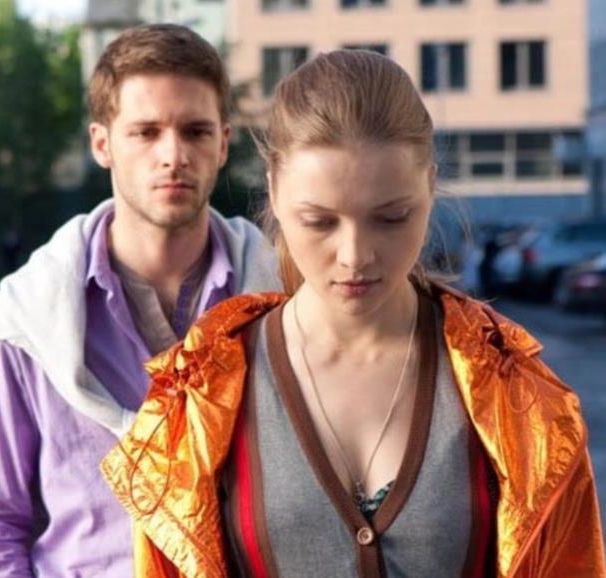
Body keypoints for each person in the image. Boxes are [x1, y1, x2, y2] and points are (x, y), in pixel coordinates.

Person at [102, 50, 606, 577]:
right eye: (319, 222)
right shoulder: (201, 393)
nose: (355, 256)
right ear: (273, 191)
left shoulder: (517, 396)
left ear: (430, 185)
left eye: (391, 217)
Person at [0, 24, 279, 577]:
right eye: (146, 132)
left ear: (223, 142)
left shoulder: (281, 297)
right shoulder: (25, 321)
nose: (173, 155)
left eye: (195, 131)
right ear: (101, 143)